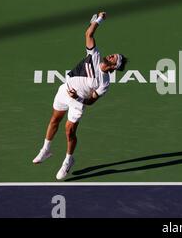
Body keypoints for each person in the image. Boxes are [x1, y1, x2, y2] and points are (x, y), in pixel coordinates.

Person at [32, 11, 127, 180]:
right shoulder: (95, 55)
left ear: (113, 67)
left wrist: (77, 98)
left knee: (69, 132)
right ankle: (46, 150)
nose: (111, 56)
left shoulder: (104, 83)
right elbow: (88, 33)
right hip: (65, 90)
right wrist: (99, 20)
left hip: (77, 102)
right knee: (54, 120)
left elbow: (90, 101)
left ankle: (68, 160)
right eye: (113, 54)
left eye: (114, 59)